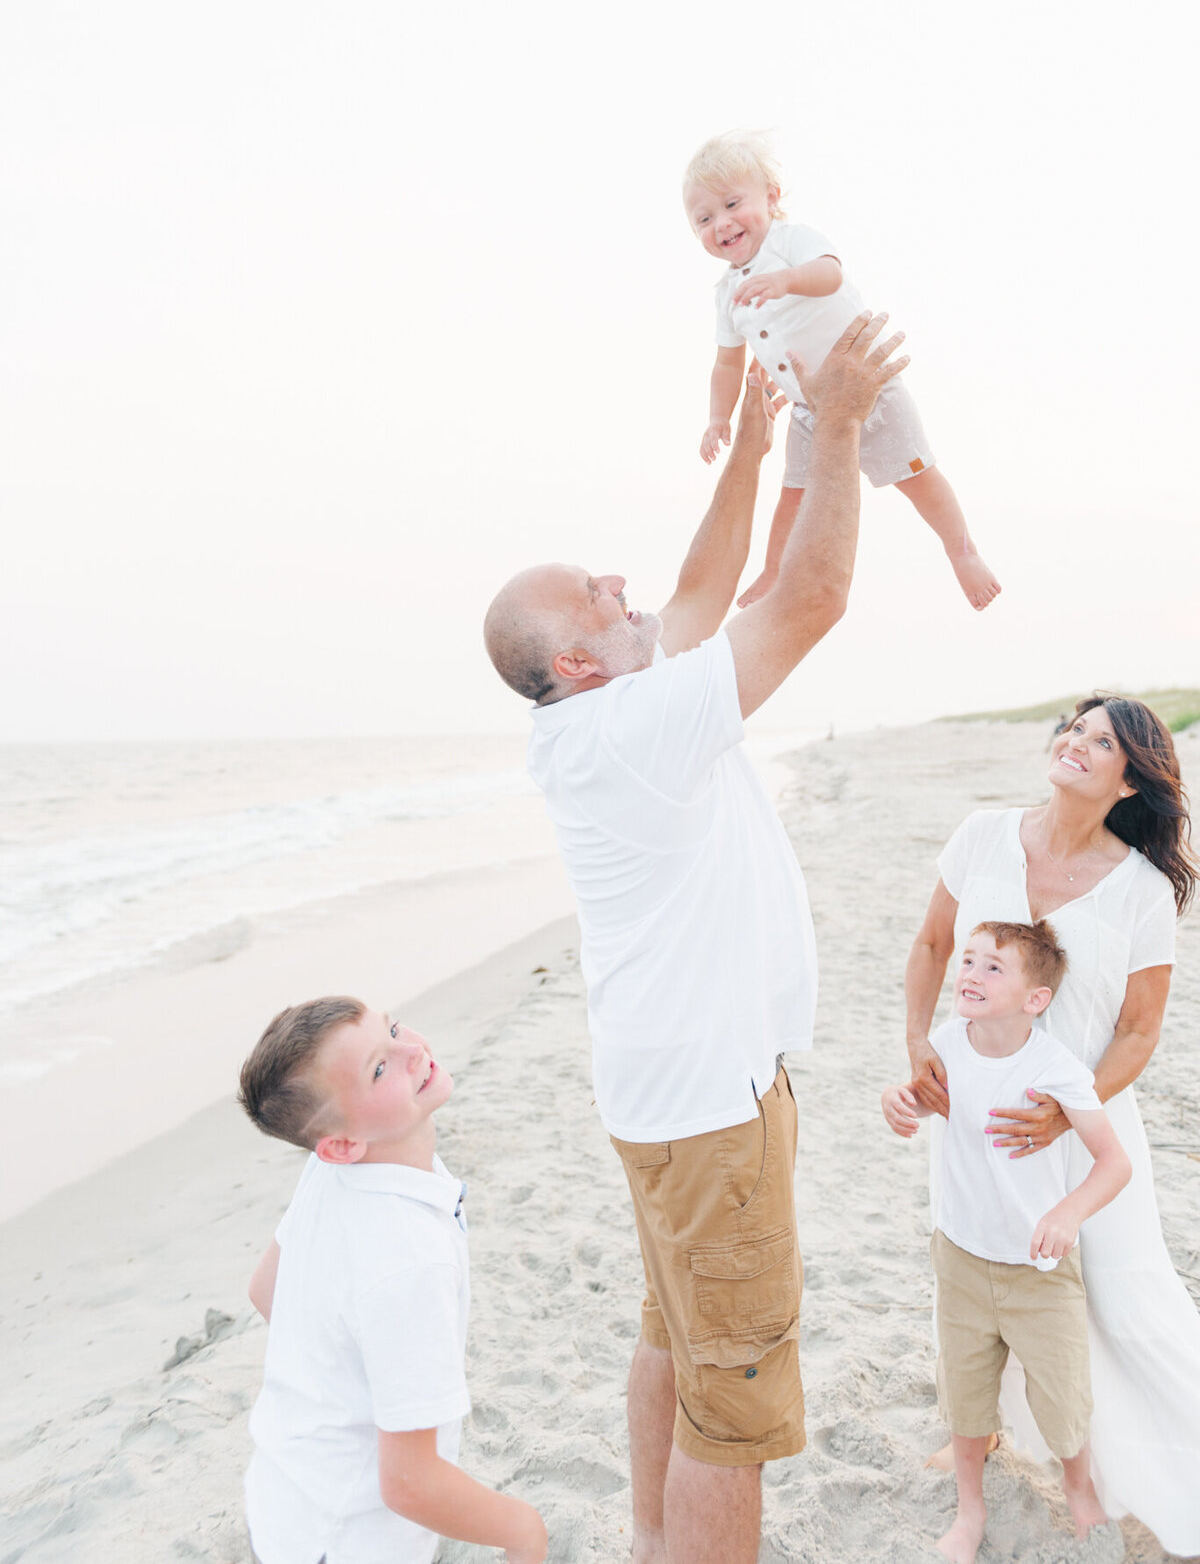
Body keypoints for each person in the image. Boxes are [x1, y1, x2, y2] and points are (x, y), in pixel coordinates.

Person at [483, 312, 908, 1564]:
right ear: (577, 656)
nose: (626, 589)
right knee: (734, 1403)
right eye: (599, 594)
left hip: (663, 1096)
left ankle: (655, 1545)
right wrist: (834, 426)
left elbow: (703, 588)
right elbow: (808, 596)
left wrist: (755, 441)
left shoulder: (595, 711)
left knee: (673, 1335)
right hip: (711, 1109)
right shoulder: (631, 729)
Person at [904, 695, 1200, 1557]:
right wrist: (918, 1041)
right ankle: (985, 1434)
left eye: (1101, 740)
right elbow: (930, 947)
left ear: (1130, 777)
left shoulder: (1144, 891)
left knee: (1118, 1299)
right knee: (979, 1274)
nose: (1076, 742)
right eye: (1073, 727)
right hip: (979, 1123)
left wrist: (1065, 1117)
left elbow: (1140, 1030)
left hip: (1089, 1132)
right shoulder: (982, 835)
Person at [237, 997, 548, 1564]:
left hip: (284, 1506)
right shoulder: (409, 1259)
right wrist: (523, 1531)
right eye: (379, 1067)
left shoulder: (332, 1169)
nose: (412, 1051)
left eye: (394, 1027)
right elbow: (409, 1484)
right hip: (348, 1543)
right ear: (342, 1143)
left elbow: (266, 1289)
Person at [883, 919, 1131, 1563]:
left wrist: (1068, 1213)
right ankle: (971, 1509)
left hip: (1038, 1269)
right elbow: (915, 1095)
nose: (970, 973)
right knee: (965, 1393)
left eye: (994, 967)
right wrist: (896, 1099)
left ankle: (1078, 1488)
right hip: (961, 1255)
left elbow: (1113, 1162)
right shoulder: (944, 1043)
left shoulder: (1054, 1065)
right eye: (968, 961)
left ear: (1035, 999)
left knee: (1062, 1392)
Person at [683, 130, 1000, 612]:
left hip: (868, 387)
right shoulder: (726, 294)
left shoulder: (791, 241)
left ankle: (963, 550)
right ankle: (773, 572)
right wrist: (717, 418)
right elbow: (727, 361)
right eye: (704, 218)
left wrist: (786, 280)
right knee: (793, 495)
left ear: (771, 197)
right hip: (812, 410)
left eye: (731, 204)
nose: (721, 223)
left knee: (917, 476)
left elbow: (830, 272)